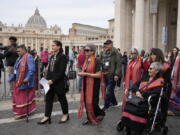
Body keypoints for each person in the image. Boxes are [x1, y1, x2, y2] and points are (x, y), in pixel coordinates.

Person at [120, 62, 164, 135]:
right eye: (149, 68)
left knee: (139, 109)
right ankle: (128, 128)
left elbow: (156, 92)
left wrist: (143, 94)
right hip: (138, 98)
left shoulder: (160, 81)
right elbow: (134, 85)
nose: (148, 70)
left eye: (151, 69)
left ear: (157, 71)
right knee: (128, 106)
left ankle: (137, 130)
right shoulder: (145, 77)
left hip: (147, 101)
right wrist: (137, 91)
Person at [38, 40, 69, 125]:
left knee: (62, 99)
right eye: (52, 46)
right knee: (48, 99)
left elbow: (61, 71)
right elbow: (50, 69)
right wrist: (46, 76)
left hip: (58, 82)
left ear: (59, 46)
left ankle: (65, 114)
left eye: (54, 45)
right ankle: (47, 116)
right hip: (49, 81)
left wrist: (53, 80)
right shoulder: (51, 56)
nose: (52, 47)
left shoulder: (63, 56)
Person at [78, 43, 105, 125]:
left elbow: (99, 74)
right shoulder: (86, 60)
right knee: (86, 102)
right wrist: (81, 73)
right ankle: (89, 117)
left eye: (87, 50)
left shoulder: (97, 61)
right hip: (86, 84)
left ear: (93, 51)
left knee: (93, 103)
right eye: (84, 50)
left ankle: (100, 113)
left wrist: (86, 74)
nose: (85, 51)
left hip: (94, 85)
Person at [8, 45, 36, 120]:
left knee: (22, 99)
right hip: (18, 81)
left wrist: (27, 78)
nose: (17, 52)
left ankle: (22, 113)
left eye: (19, 51)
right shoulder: (18, 58)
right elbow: (15, 70)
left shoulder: (29, 57)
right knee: (18, 98)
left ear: (24, 50)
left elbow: (31, 70)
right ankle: (21, 111)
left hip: (25, 82)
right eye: (17, 51)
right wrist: (10, 78)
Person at [100, 40, 122, 110]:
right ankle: (114, 102)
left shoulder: (116, 53)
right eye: (105, 44)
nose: (106, 45)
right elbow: (100, 60)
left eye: (107, 44)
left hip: (112, 74)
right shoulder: (104, 52)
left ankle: (106, 106)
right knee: (110, 90)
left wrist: (116, 74)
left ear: (111, 44)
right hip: (105, 74)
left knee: (108, 91)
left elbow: (118, 65)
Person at [168, 51, 180, 116]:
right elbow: (175, 71)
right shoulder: (178, 58)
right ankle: (175, 111)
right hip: (178, 82)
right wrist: (175, 83)